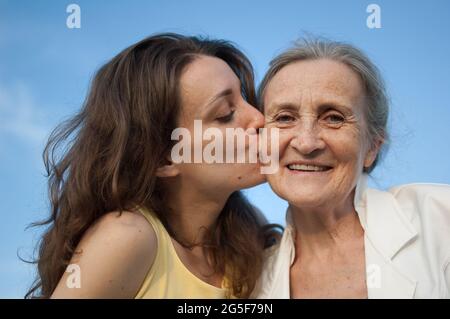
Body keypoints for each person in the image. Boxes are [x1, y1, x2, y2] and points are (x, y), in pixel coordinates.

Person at [26, 33, 279, 299]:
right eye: (225, 115)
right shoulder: (126, 238)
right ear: (164, 158)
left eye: (245, 99)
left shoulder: (249, 231)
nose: (260, 118)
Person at [253, 38, 450, 298]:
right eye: (285, 118)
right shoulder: (251, 286)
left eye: (334, 117)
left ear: (372, 147)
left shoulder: (440, 218)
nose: (307, 143)